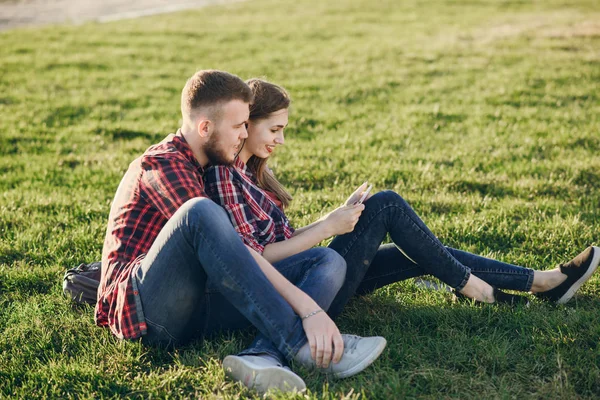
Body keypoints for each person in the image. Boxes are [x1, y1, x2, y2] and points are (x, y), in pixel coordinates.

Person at [203, 78, 600, 323]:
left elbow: (279, 243)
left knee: (416, 251)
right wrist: (328, 228)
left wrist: (335, 217)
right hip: (297, 296)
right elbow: (254, 257)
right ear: (247, 122)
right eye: (274, 129)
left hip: (307, 275)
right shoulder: (224, 173)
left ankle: (542, 282)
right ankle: (478, 289)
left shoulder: (249, 171)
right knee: (388, 205)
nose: (281, 140)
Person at [96, 70, 387, 395]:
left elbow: (236, 253)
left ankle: (263, 357)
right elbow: (236, 248)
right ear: (205, 127)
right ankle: (297, 342)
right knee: (200, 212)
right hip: (147, 313)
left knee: (324, 260)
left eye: (247, 124)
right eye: (238, 127)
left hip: (196, 303)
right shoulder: (163, 165)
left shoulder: (207, 165)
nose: (243, 135)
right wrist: (309, 309)